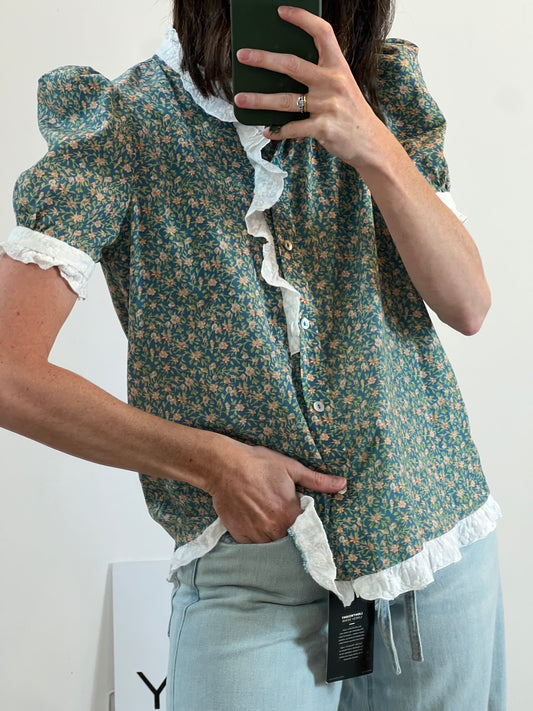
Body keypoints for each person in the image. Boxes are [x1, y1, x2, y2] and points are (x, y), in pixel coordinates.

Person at [0, 1, 505, 709]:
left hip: (433, 543)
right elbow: (9, 371)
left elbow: (468, 305)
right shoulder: (122, 126)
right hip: (253, 572)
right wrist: (210, 462)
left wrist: (372, 145)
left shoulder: (378, 93)